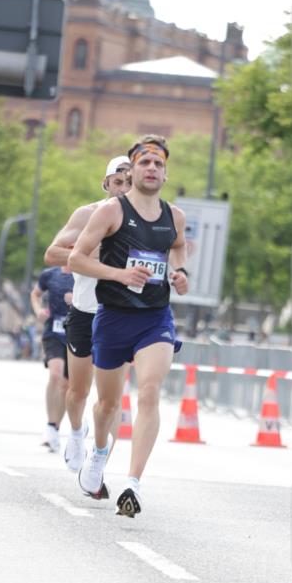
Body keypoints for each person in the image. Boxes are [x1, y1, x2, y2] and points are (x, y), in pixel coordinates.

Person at [68, 135, 189, 517]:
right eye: (144, 163)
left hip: (155, 318)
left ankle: (133, 483)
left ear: (165, 174)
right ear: (132, 169)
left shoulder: (175, 216)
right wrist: (118, 274)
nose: (151, 169)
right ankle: (100, 452)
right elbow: (76, 259)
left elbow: (179, 246)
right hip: (113, 317)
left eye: (158, 164)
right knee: (106, 405)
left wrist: (180, 272)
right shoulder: (110, 212)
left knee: (150, 391)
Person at [44, 155, 131, 485]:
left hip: (122, 315)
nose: (123, 189)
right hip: (85, 310)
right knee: (78, 391)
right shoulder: (87, 214)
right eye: (117, 182)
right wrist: (87, 257)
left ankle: (98, 462)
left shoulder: (146, 220)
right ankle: (77, 432)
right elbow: (52, 254)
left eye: (129, 182)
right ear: (105, 183)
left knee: (111, 400)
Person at [30, 265, 74, 452]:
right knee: (55, 375)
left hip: (75, 333)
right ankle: (49, 425)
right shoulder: (50, 273)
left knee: (67, 385)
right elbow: (35, 294)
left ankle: (55, 428)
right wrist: (38, 310)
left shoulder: (86, 273)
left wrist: (77, 300)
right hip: (53, 332)